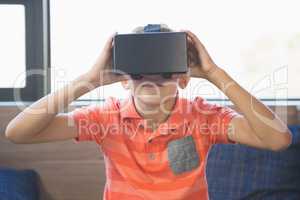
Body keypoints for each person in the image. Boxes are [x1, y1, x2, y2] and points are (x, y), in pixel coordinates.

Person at [5, 24, 292, 200]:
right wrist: (89, 80)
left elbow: (277, 139)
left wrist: (215, 74)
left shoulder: (204, 118)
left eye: (164, 72)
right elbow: (17, 133)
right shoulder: (106, 118)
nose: (152, 80)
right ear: (124, 80)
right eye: (140, 73)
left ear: (183, 78)